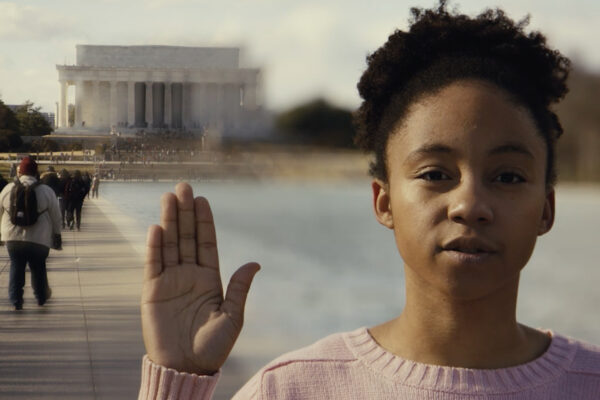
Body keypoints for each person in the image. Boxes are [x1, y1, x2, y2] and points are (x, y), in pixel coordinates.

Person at [138, 2, 600, 399]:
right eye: (435, 174)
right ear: (383, 202)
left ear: (546, 208)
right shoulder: (293, 389)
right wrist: (179, 378)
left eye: (508, 176)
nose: (470, 204)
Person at [0, 157, 62, 310]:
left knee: (16, 266)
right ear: (36, 172)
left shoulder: (8, 189)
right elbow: (56, 216)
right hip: (39, 237)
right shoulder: (46, 191)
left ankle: (16, 300)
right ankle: (40, 297)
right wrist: (57, 234)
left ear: (19, 171)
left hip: (12, 237)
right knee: (38, 267)